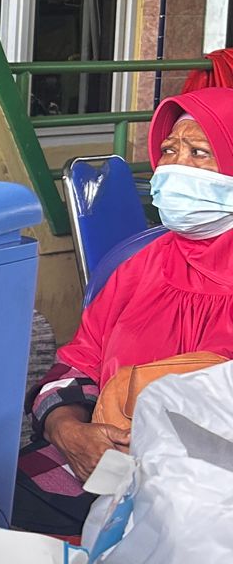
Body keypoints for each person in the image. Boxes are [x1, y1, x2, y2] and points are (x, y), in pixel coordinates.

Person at [15, 88, 233, 536]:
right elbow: (77, 362)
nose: (175, 167)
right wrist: (68, 432)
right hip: (108, 462)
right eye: (168, 151)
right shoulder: (137, 265)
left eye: (198, 153)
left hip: (208, 489)